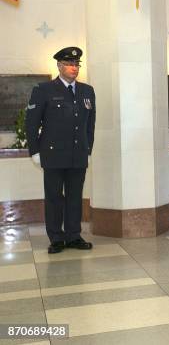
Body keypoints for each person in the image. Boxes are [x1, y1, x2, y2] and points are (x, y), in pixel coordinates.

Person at [25, 47, 96, 254]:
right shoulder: (44, 90)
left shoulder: (87, 91)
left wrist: (88, 150)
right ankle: (56, 238)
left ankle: (73, 235)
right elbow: (31, 123)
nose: (74, 68)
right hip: (53, 154)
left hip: (78, 154)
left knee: (75, 196)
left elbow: (90, 124)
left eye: (77, 65)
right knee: (54, 197)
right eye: (69, 64)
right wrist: (35, 151)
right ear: (59, 66)